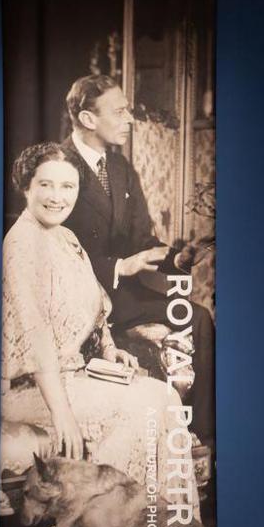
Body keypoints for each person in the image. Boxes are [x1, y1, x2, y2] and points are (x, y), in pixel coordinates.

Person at [0, 143, 192, 527]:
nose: (57, 195)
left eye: (67, 186)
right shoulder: (21, 244)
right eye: (45, 184)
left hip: (73, 376)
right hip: (32, 388)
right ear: (25, 188)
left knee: (160, 395)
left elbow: (97, 306)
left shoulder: (65, 237)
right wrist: (62, 413)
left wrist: (111, 349)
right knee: (141, 406)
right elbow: (36, 338)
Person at [59, 74, 216, 452]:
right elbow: (55, 254)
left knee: (198, 317)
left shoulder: (120, 168)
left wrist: (176, 258)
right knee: (193, 318)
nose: (131, 118)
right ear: (87, 118)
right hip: (78, 301)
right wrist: (120, 267)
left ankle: (202, 442)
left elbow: (142, 240)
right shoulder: (58, 168)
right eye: (121, 111)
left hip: (122, 297)